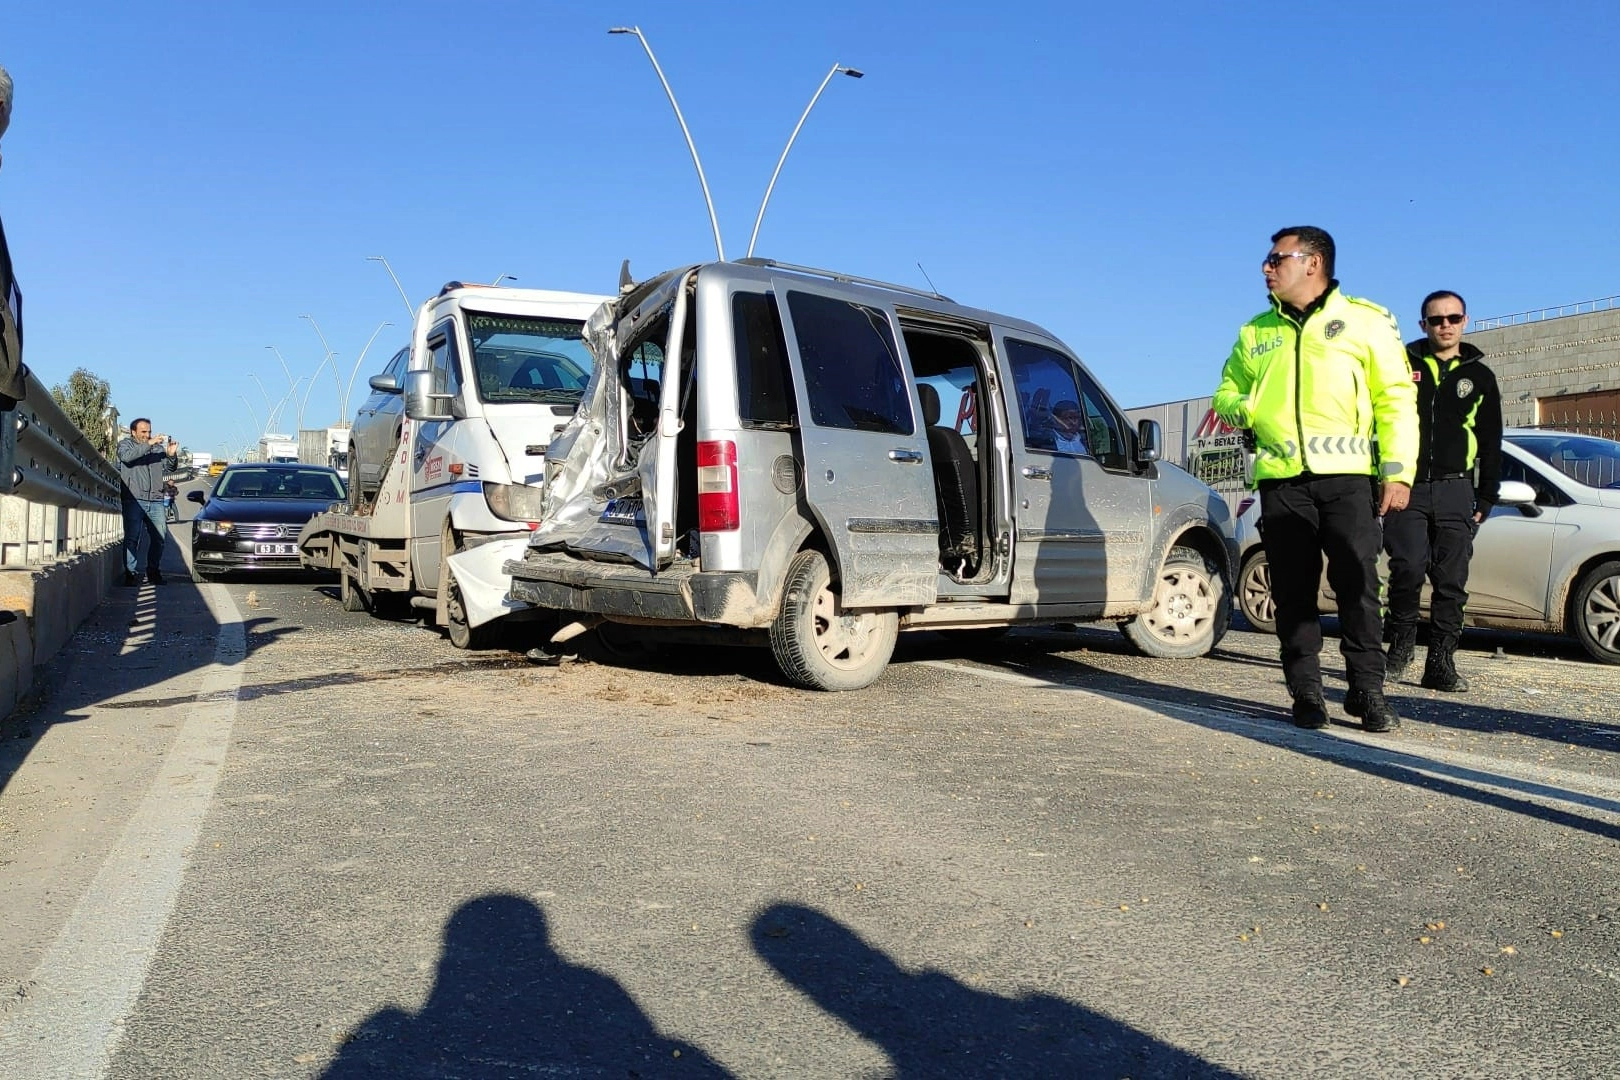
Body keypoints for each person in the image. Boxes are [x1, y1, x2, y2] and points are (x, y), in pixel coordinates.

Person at [1214, 226, 1419, 732]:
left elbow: (1396, 398)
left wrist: (1398, 471)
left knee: (1358, 585)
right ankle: (1305, 692)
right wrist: (1248, 407)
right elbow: (1224, 393)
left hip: (1348, 479)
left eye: (1275, 258)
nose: (1266, 268)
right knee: (1293, 591)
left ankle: (1367, 692)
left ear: (1312, 262)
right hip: (1282, 482)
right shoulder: (1254, 332)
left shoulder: (1366, 321)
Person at [1382, 291, 1502, 693]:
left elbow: (1491, 442)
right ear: (1423, 326)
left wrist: (1486, 497)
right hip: (1407, 488)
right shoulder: (1402, 365)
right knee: (1408, 569)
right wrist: (1376, 481)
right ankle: (1398, 649)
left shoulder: (1480, 377)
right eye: (1436, 320)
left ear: (1465, 321)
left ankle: (1441, 663)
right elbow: (1378, 423)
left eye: (1452, 318)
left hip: (1456, 489)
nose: (1444, 325)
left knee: (1451, 581)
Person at [116, 418, 179, 585]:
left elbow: (170, 468)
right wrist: (149, 443)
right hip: (134, 499)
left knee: (159, 538)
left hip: (156, 500)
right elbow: (127, 458)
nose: (147, 435)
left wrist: (171, 455)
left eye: (149, 431)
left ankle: (153, 572)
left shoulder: (157, 448)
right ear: (133, 432)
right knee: (132, 538)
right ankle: (131, 574)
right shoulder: (125, 445)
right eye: (143, 432)